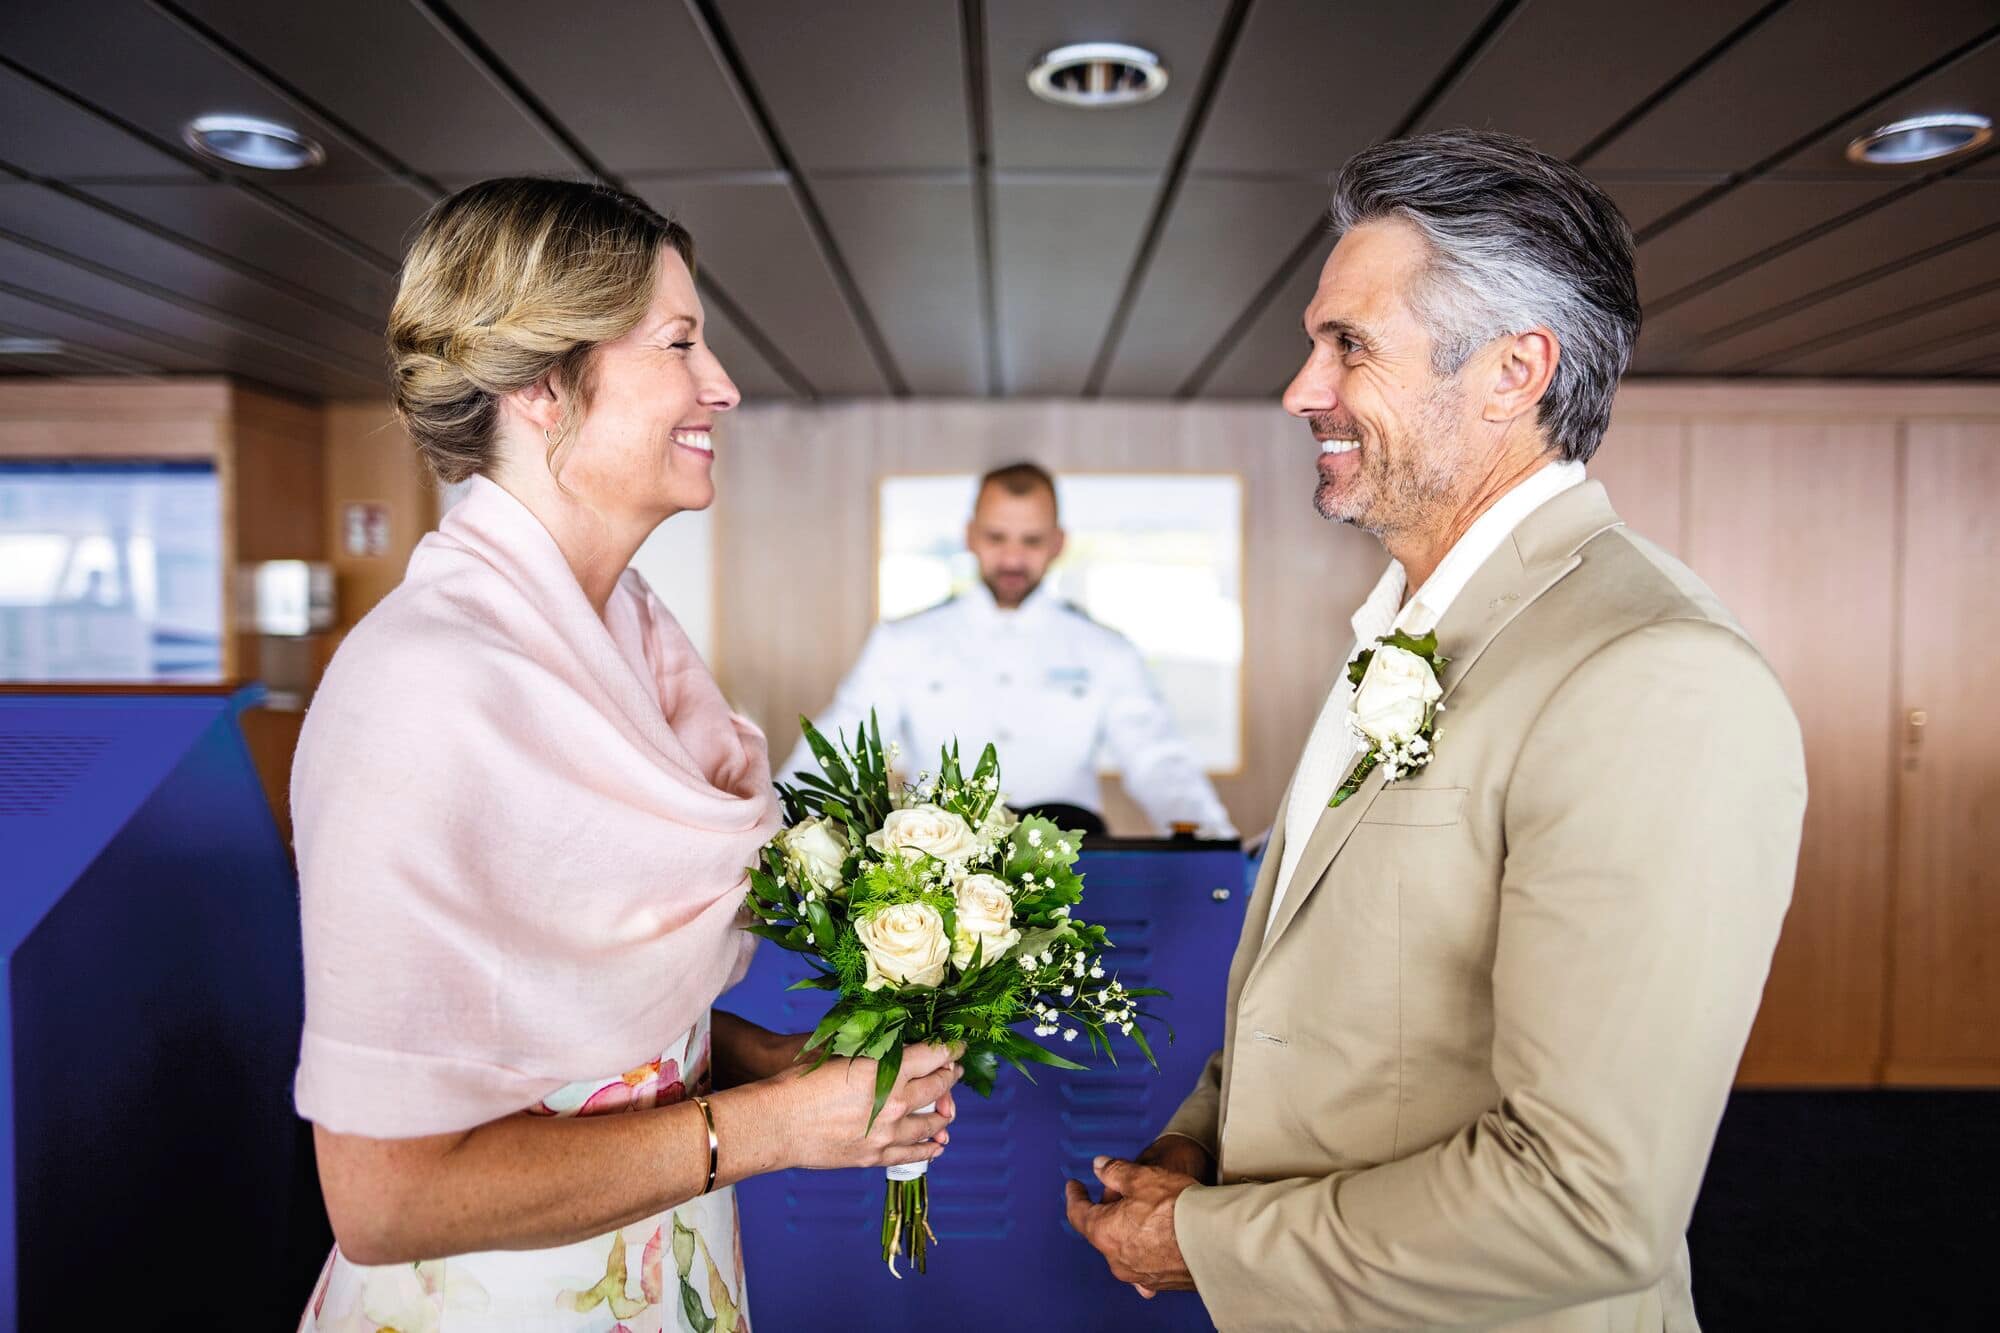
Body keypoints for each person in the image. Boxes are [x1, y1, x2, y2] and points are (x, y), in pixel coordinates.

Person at [1065, 130, 1806, 1330]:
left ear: (1512, 371)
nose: (1300, 389)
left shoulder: (1651, 673)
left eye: (1347, 345)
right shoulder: (1410, 628)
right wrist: (1198, 1142)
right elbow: (1337, 996)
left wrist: (1198, 1238)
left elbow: (1584, 1204)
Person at [291, 178, 961, 1331]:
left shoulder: (629, 639)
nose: (723, 385)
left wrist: (765, 1061)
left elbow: (556, 1020)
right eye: (680, 342)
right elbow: (385, 1201)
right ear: (541, 385)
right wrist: (776, 1129)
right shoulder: (421, 687)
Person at [782, 462, 1236, 839]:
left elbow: (1159, 760)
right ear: (970, 536)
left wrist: (1215, 844)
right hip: (935, 867)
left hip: (1074, 860)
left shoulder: (1107, 650)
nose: (1013, 559)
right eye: (996, 537)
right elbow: (838, 749)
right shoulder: (902, 642)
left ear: (1058, 543)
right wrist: (775, 833)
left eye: (1031, 540)